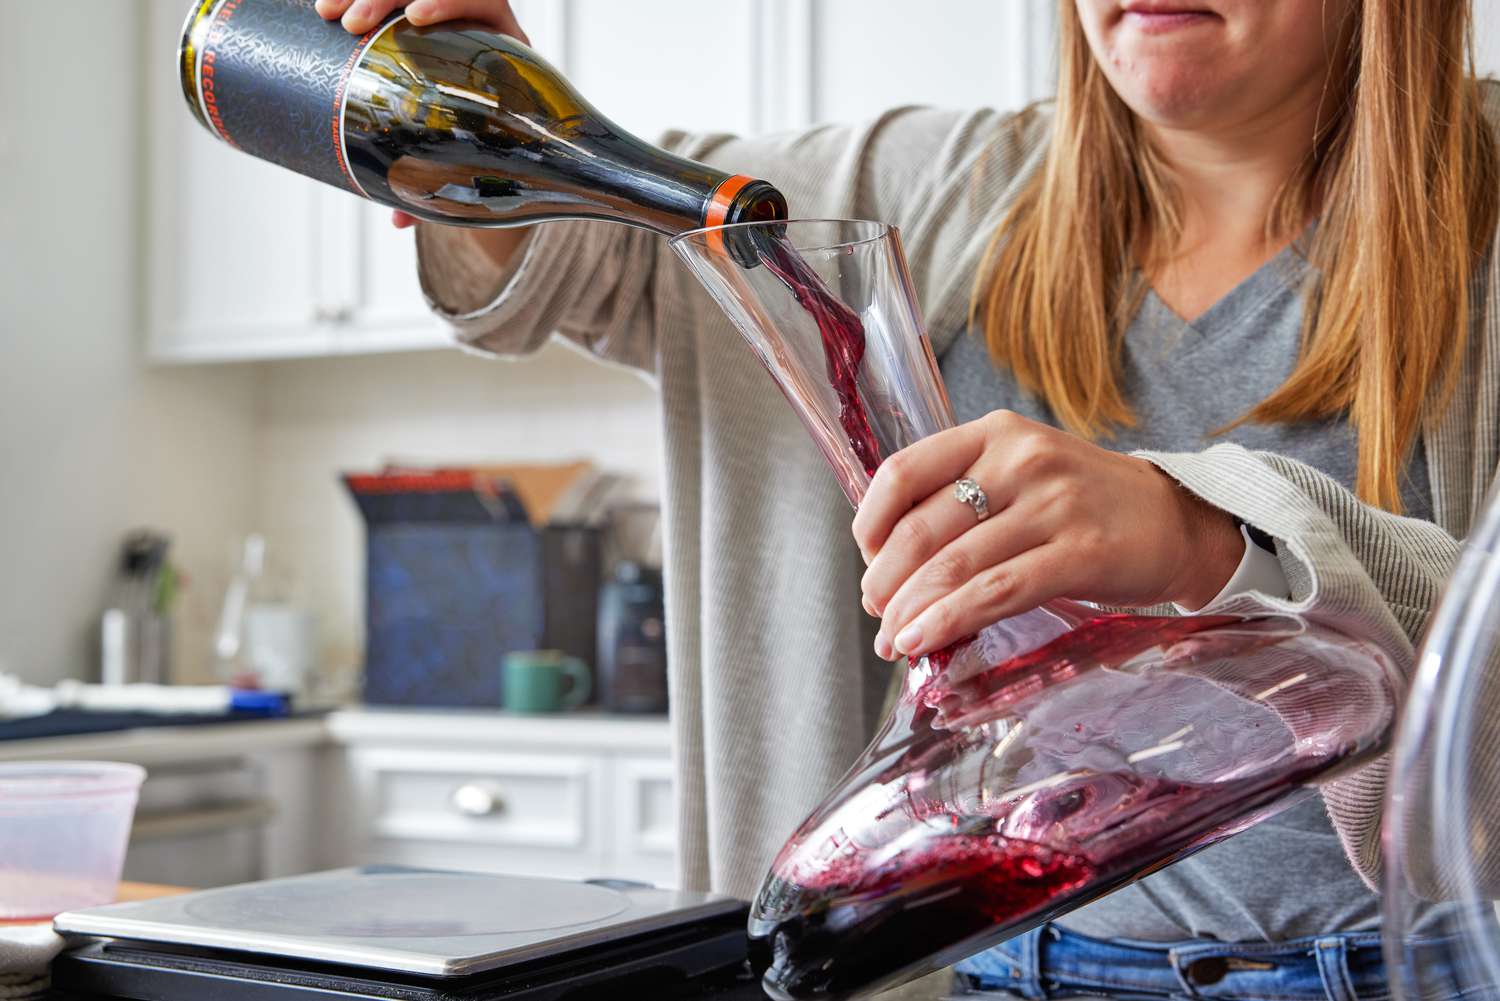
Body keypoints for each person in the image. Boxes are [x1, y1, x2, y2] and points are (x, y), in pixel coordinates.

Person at [321, 0, 1499, 997]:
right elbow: (577, 259)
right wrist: (453, 118)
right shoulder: (928, 186)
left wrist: (1206, 535)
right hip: (991, 961)